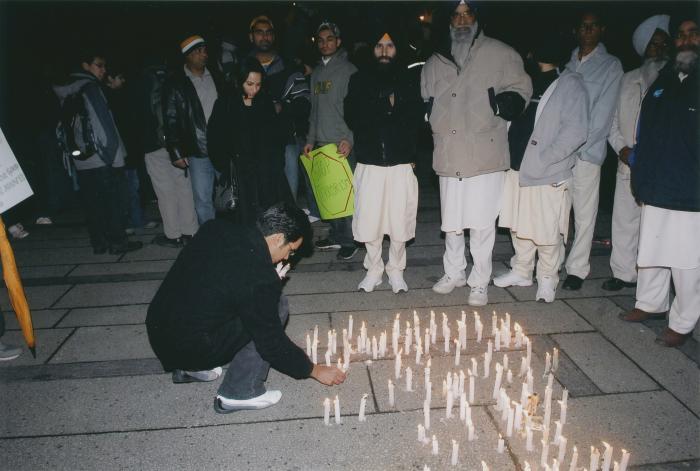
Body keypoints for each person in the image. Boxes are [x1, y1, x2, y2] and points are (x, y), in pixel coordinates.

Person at [146, 202, 346, 412]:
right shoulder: (258, 277)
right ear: (278, 238)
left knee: (230, 307)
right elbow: (271, 342)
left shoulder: (216, 227)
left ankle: (189, 370)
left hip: (162, 331)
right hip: (190, 346)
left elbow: (217, 280)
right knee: (277, 306)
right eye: (290, 250)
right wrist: (313, 370)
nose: (288, 257)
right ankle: (239, 391)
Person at [421, 0, 532, 306]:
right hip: (448, 151)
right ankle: (454, 272)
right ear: (448, 20)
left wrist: (501, 105)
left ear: (478, 18)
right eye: (456, 15)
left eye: (468, 13)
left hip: (485, 151)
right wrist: (429, 115)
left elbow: (522, 88)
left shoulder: (501, 52)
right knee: (452, 221)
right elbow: (425, 96)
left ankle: (479, 280)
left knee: (482, 223)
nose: (461, 20)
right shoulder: (435, 59)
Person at [621, 16, 699, 347]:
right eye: (680, 36)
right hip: (657, 181)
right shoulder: (665, 77)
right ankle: (651, 303)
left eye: (693, 34)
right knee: (652, 248)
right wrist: (641, 172)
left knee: (685, 258)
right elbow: (646, 129)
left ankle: (683, 321)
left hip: (690, 187)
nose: (685, 41)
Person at [494, 37, 589, 303]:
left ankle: (547, 278)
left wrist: (546, 159)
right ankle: (522, 270)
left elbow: (576, 131)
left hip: (547, 171)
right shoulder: (526, 80)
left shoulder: (571, 84)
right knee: (518, 224)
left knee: (547, 230)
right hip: (516, 166)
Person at [345, 25, 423, 293]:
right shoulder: (358, 80)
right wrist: (383, 102)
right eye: (379, 46)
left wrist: (412, 154)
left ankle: (396, 270)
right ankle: (375, 268)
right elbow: (353, 117)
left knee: (399, 219)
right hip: (370, 162)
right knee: (370, 220)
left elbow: (414, 120)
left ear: (397, 49)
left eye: (389, 46)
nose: (384, 51)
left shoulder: (409, 79)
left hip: (400, 162)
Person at [602, 15, 670, 291]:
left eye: (663, 44)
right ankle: (622, 273)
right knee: (623, 220)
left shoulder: (675, 80)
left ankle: (649, 280)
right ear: (644, 48)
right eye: (653, 45)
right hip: (628, 160)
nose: (658, 49)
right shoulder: (627, 79)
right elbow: (612, 121)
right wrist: (622, 148)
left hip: (661, 166)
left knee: (654, 225)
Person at [53, 50, 142, 255]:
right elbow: (104, 125)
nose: (104, 70)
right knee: (113, 202)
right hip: (102, 158)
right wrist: (112, 156)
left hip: (81, 159)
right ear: (85, 65)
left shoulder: (66, 89)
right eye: (99, 65)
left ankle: (99, 243)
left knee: (92, 204)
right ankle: (118, 242)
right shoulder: (91, 87)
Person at [561, 10, 623, 291]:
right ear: (576, 30)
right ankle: (555, 260)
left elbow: (603, 115)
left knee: (584, 213)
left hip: (587, 151)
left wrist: (578, 145)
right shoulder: (568, 61)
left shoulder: (611, 65)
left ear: (601, 29)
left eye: (593, 25)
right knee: (559, 211)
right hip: (560, 151)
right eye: (583, 26)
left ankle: (577, 269)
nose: (588, 30)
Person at [207, 58, 294, 224]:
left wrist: (276, 162)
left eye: (258, 84)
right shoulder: (225, 104)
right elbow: (214, 139)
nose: (254, 89)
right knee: (243, 223)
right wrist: (226, 167)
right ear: (239, 80)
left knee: (270, 221)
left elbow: (276, 136)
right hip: (240, 177)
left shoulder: (264, 102)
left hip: (266, 174)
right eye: (249, 84)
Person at [303, 21, 359, 260]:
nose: (325, 43)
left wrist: (349, 139)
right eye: (321, 39)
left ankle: (350, 239)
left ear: (338, 41)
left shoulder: (349, 70)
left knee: (346, 196)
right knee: (328, 195)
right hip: (321, 144)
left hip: (341, 144)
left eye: (330, 39)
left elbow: (357, 111)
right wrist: (309, 139)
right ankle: (337, 234)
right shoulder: (316, 73)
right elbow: (314, 111)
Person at [246, 15, 311, 204]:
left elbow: (304, 101)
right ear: (251, 37)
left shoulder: (289, 67)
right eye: (259, 32)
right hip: (253, 142)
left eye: (268, 33)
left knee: (288, 193)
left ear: (273, 37)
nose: (264, 37)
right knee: (259, 193)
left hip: (285, 140)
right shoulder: (242, 68)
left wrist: (283, 106)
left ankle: (290, 230)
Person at [137, 55, 199, 248]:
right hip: (177, 144)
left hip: (153, 145)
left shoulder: (140, 82)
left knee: (165, 191)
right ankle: (191, 231)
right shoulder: (175, 78)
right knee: (184, 188)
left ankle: (174, 235)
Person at [163, 35, 225, 226]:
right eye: (198, 51)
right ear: (188, 55)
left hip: (223, 145)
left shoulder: (216, 75)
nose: (203, 54)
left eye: (204, 50)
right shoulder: (176, 83)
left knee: (230, 195)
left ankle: (231, 235)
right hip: (197, 148)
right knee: (202, 199)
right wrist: (175, 152)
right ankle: (210, 238)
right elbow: (170, 119)